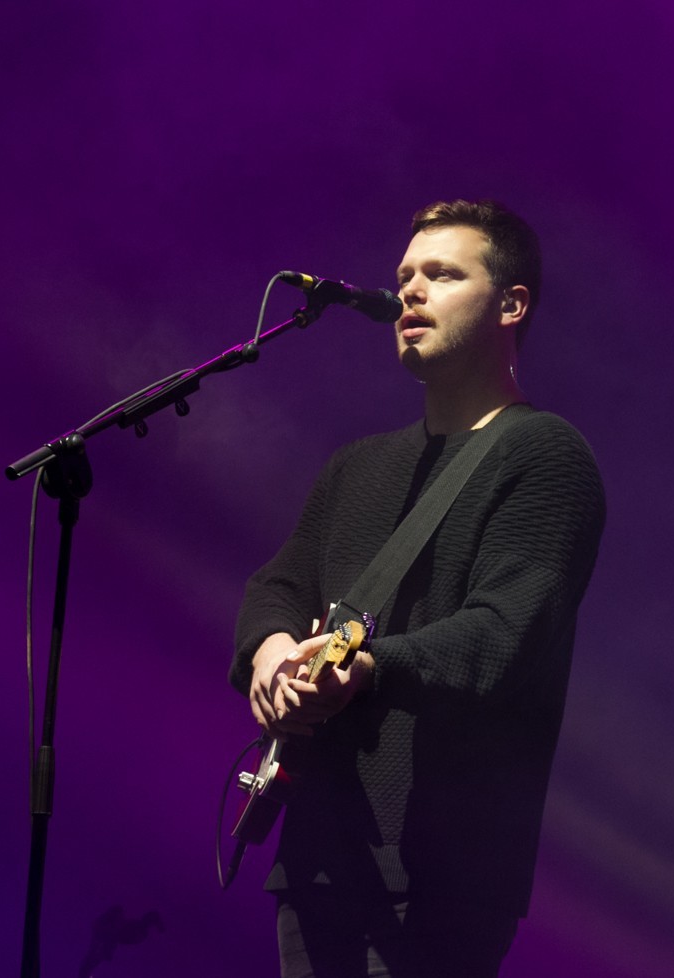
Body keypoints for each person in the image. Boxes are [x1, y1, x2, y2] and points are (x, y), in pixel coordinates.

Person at [229, 200, 606, 977]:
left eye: (442, 274)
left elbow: (502, 637)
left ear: (511, 304)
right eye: (404, 275)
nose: (410, 291)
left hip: (444, 873)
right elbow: (278, 583)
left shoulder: (543, 456)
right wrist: (269, 656)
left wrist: (370, 668)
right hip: (318, 860)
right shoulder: (357, 466)